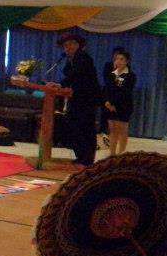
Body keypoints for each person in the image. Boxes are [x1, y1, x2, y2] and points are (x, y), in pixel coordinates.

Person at [49, 33, 101, 167]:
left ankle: (86, 159)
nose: (68, 47)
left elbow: (76, 74)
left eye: (71, 44)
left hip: (86, 99)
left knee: (84, 127)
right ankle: (82, 156)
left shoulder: (83, 58)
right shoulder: (71, 59)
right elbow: (69, 73)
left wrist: (61, 84)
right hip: (77, 97)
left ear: (78, 45)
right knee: (76, 126)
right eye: (66, 45)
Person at [102, 49, 136, 156]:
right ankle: (112, 154)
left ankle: (121, 154)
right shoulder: (111, 74)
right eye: (116, 59)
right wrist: (107, 101)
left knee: (122, 130)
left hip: (123, 105)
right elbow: (107, 89)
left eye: (122, 59)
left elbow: (124, 91)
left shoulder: (130, 75)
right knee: (112, 130)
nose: (118, 61)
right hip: (110, 105)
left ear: (127, 61)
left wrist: (112, 102)